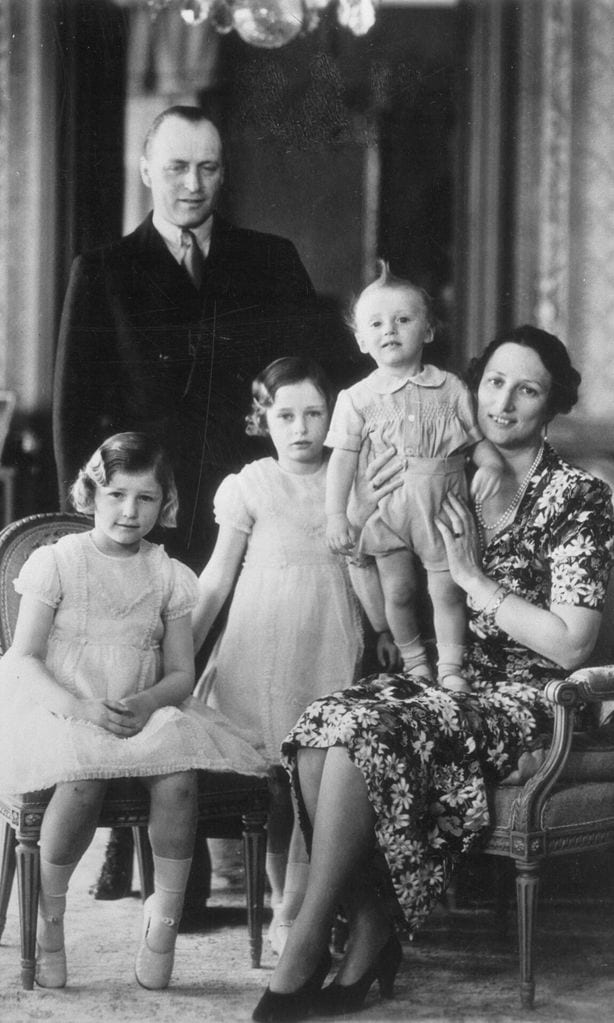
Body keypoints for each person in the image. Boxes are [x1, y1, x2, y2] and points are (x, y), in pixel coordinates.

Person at [250, 325, 614, 1022]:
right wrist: (359, 518)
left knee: (368, 734)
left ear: (553, 403)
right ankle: (368, 928)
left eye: (528, 389)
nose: (504, 402)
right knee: (324, 720)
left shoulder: (576, 497)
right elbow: (386, 609)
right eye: (495, 382)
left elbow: (572, 644)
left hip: (529, 696)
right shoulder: (442, 469)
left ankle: (305, 946)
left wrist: (474, 580)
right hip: (443, 681)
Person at [52, 104, 327, 906]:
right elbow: (75, 415)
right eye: (175, 166)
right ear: (147, 169)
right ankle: (151, 854)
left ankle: (236, 849)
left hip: (251, 512)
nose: (192, 184)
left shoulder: (270, 260)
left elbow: (323, 372)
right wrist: (96, 528)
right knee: (148, 674)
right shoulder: (101, 269)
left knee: (240, 678)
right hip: (145, 514)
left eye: (207, 167)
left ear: (222, 174)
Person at [0, 433, 265, 991]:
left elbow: (180, 675)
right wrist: (79, 707)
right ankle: (50, 923)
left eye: (146, 498)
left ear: (163, 502)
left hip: (141, 709)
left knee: (178, 781)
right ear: (92, 493)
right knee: (83, 780)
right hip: (64, 708)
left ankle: (162, 926)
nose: (129, 511)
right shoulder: (58, 563)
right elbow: (22, 658)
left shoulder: (166, 573)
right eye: (117, 495)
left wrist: (146, 702)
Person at [192, 357, 394, 956]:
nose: (301, 427)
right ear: (263, 419)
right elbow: (217, 578)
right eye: (285, 415)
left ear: (333, 418)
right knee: (275, 785)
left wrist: (384, 627)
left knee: (318, 781)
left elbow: (369, 565)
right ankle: (284, 906)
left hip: (327, 638)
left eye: (314, 413)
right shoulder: (250, 484)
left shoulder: (347, 479)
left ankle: (307, 904)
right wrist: (183, 649)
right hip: (260, 645)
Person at [325, 262, 504, 693]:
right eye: (377, 323)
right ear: (361, 340)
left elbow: (476, 443)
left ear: (427, 331)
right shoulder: (357, 399)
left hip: (443, 512)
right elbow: (343, 461)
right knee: (400, 594)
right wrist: (336, 515)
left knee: (446, 592)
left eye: (403, 320)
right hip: (389, 513)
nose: (390, 330)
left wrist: (493, 464)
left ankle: (451, 666)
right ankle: (414, 661)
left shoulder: (452, 389)